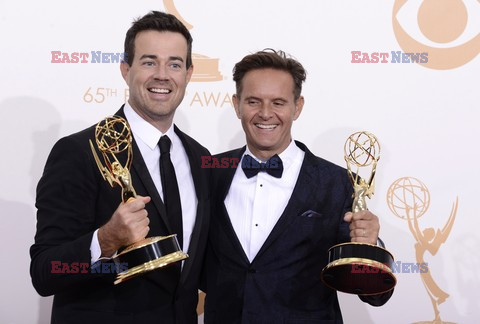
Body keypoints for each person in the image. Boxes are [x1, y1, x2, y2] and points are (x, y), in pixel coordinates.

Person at [30, 11, 210, 323]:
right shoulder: (78, 152)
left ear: (189, 73)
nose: (163, 75)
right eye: (149, 61)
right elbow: (46, 271)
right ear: (125, 69)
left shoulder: (200, 157)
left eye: (175, 64)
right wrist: (105, 240)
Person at [203, 49, 393, 323]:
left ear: (298, 106)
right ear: (236, 104)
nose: (265, 114)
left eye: (278, 102)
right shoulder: (209, 172)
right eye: (253, 101)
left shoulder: (337, 183)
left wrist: (369, 245)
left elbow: (375, 295)